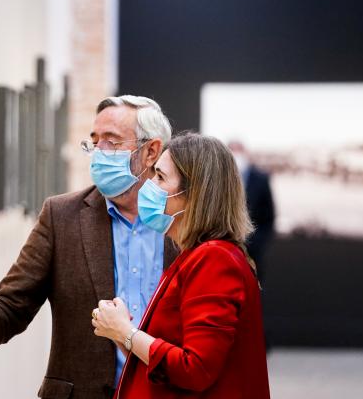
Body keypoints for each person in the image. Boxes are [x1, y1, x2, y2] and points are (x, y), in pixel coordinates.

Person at [0, 96, 178, 399]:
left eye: (111, 143)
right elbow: (13, 302)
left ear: (151, 151)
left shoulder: (184, 221)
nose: (98, 154)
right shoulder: (63, 216)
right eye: (94, 142)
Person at [91, 133, 270, 398]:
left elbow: (195, 368)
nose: (148, 186)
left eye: (160, 177)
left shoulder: (214, 259)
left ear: (194, 194)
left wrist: (126, 332)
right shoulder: (194, 255)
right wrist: (122, 336)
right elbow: (172, 353)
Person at [228, 141, 275, 283]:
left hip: (252, 253)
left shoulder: (261, 179)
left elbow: (269, 216)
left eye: (238, 151)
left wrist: (255, 243)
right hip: (226, 251)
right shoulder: (222, 178)